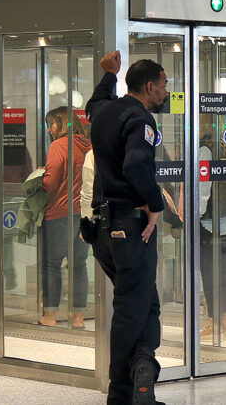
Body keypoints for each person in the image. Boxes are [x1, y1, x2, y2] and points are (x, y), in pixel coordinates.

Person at [85, 50, 168, 405]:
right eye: (164, 86)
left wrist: (108, 74)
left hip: (102, 229)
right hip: (129, 228)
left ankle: (143, 373)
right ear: (150, 87)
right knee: (134, 310)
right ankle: (121, 393)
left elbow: (94, 103)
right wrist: (155, 206)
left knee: (144, 302)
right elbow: (136, 166)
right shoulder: (141, 120)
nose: (166, 92)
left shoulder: (106, 110)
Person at [34, 107, 91, 328]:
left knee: (52, 264)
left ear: (64, 123)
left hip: (59, 212)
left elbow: (50, 182)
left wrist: (42, 175)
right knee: (79, 265)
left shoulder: (59, 145)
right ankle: (78, 318)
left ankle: (50, 315)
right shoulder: (88, 145)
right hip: (83, 213)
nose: (49, 129)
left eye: (52, 124)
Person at [197, 114, 226, 341]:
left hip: (210, 219)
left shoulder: (205, 149)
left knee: (210, 271)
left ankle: (213, 323)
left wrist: (194, 215)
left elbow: (204, 189)